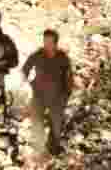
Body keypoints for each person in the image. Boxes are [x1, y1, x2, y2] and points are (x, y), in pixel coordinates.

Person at [22, 29, 74, 164]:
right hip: (39, 95)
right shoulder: (37, 55)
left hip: (57, 97)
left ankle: (53, 150)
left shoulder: (63, 58)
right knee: (36, 122)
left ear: (55, 43)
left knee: (56, 125)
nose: (46, 44)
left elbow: (69, 77)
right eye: (45, 41)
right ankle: (39, 151)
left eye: (49, 42)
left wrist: (67, 94)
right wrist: (28, 84)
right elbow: (25, 70)